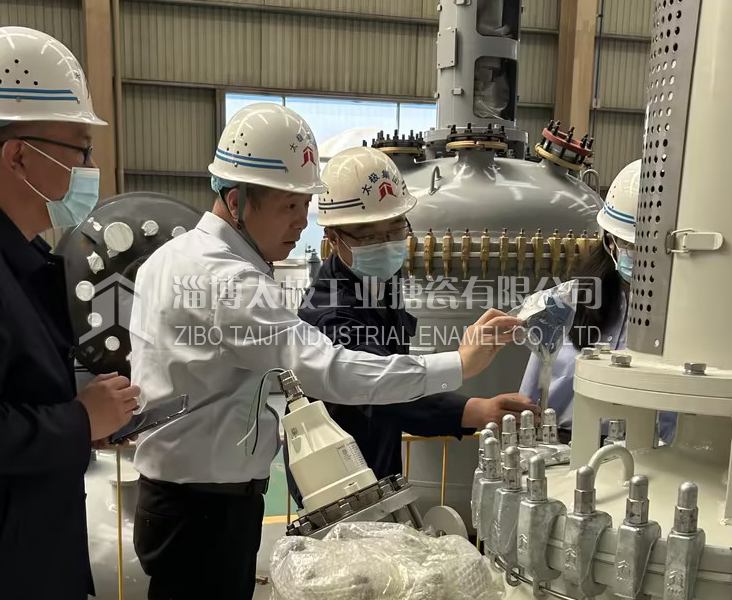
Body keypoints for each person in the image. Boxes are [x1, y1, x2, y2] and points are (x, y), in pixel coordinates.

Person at [129, 103, 522, 600]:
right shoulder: (230, 282)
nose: (301, 223)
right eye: (288, 206)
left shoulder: (172, 259)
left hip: (187, 500)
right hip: (206, 511)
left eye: (305, 205)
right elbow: (333, 370)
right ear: (236, 200)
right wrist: (459, 366)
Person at [0, 27, 139, 600]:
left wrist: (80, 418)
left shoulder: (0, 248)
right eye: (81, 149)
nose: (91, 166)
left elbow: (3, 384)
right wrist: (79, 421)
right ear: (19, 155)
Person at [286, 146, 537, 501]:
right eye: (370, 237)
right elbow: (382, 388)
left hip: (378, 465)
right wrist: (474, 407)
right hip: (336, 485)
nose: (387, 245)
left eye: (395, 230)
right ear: (333, 238)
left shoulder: (381, 281)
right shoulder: (328, 314)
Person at [519, 159, 675, 442]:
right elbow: (529, 400)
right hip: (563, 449)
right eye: (630, 245)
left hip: (651, 453)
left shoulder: (685, 318)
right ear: (609, 241)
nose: (641, 258)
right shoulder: (565, 303)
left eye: (652, 250)